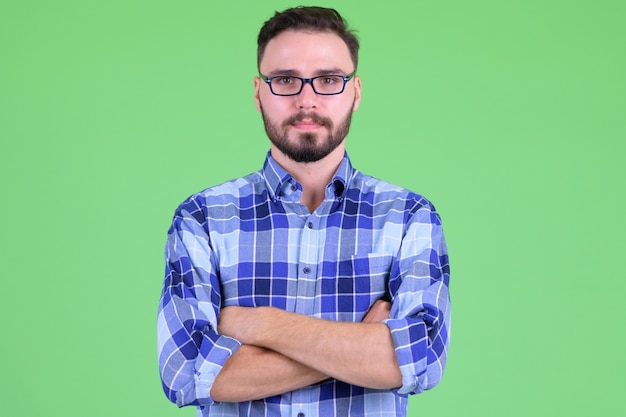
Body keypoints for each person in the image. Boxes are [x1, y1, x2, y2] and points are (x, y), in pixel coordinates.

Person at [157, 6, 451, 417]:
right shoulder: (202, 218)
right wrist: (360, 346)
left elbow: (421, 359)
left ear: (356, 92)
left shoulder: (407, 217)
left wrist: (261, 325)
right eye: (285, 80)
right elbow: (186, 373)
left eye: (329, 79)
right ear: (259, 93)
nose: (307, 99)